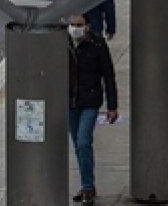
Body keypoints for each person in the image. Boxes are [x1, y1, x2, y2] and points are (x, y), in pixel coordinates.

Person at [67, 14, 118, 205]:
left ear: (87, 26)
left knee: (83, 141)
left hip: (90, 101)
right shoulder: (64, 43)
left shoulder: (97, 44)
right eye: (72, 24)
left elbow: (108, 76)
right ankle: (87, 184)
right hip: (70, 102)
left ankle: (87, 187)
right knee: (79, 147)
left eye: (79, 24)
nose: (75, 28)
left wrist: (112, 106)